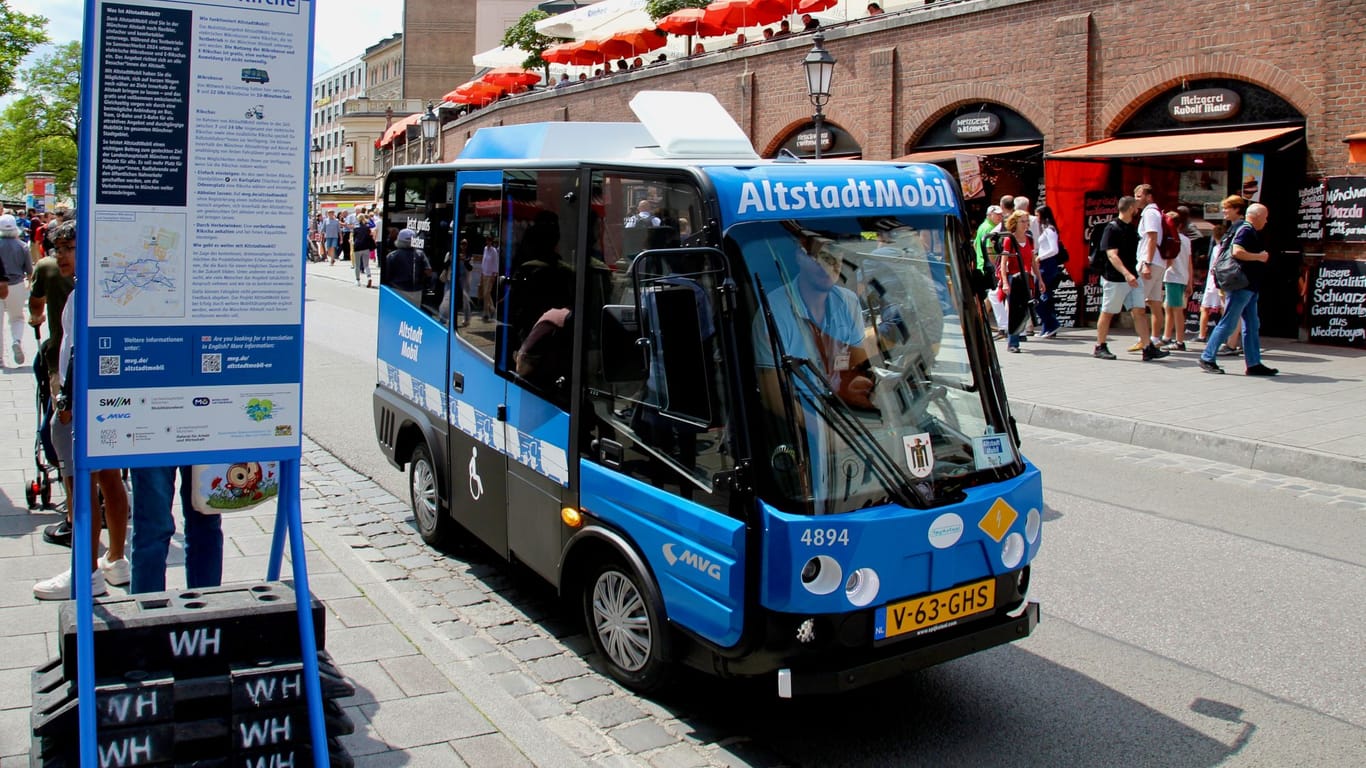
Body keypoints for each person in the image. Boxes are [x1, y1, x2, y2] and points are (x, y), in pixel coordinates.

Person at [31, 220, 132, 600]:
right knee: (108, 476)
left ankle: (85, 572)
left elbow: (79, 352)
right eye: (57, 249)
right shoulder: (104, 288)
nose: (60, 256)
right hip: (103, 403)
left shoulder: (87, 294)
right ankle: (116, 559)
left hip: (81, 404)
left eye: (69, 248)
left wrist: (66, 401)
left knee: (78, 483)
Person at [753, 236, 873, 409]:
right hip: (799, 415)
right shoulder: (773, 310)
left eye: (836, 260)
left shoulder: (848, 301)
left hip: (842, 410)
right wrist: (820, 430)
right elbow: (773, 395)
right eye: (821, 259)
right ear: (800, 257)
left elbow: (856, 362)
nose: (829, 267)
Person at [1199, 199, 1277, 376]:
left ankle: (1254, 363)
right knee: (1229, 323)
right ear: (1256, 217)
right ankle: (1207, 357)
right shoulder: (1246, 230)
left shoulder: (1246, 229)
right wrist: (1259, 256)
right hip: (1241, 285)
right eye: (1265, 217)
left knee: (1251, 324)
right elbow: (1237, 251)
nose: (1266, 221)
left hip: (1249, 285)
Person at [1093, 196, 1169, 361]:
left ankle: (1147, 347)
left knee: (1139, 311)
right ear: (1130, 208)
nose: (1137, 210)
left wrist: (1133, 273)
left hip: (1133, 277)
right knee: (1108, 312)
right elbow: (1112, 255)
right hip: (1115, 279)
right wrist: (1126, 274)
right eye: (1135, 207)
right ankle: (1100, 345)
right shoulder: (1112, 228)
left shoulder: (1131, 228)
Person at [996, 211, 1039, 353]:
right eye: (1023, 221)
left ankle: (1019, 334)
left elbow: (1032, 261)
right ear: (1015, 223)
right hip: (1013, 278)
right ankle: (1013, 342)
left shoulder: (1029, 239)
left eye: (1027, 221)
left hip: (1025, 278)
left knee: (1024, 309)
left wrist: (1040, 279)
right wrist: (1005, 283)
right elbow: (1003, 263)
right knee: (1014, 310)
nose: (1026, 224)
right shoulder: (1010, 239)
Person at [1133, 184, 1167, 351]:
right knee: (1154, 302)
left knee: (1137, 302)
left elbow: (1152, 238)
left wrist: (1146, 262)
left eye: (1139, 196)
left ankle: (1144, 340)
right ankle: (1154, 338)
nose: (1136, 199)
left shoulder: (1150, 213)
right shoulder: (1154, 213)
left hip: (1150, 263)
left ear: (1149, 197)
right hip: (1157, 262)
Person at [0, 213, 32, 366]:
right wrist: (29, 285)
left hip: (0, 284)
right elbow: (29, 270)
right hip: (17, 284)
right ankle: (17, 340)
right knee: (17, 318)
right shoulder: (22, 246)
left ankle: (0, 358)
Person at [1160, 208, 1193, 350]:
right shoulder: (1186, 240)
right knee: (1168, 306)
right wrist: (1190, 281)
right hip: (1181, 276)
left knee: (1176, 309)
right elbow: (1190, 262)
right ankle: (1167, 336)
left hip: (1173, 276)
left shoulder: (1170, 239)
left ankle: (1179, 341)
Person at [1032, 205, 1064, 338]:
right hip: (1044, 263)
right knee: (1042, 295)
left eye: (1038, 215)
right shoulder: (1045, 230)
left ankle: (1051, 323)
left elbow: (1054, 249)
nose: (1036, 219)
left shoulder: (1050, 230)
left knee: (1039, 295)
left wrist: (1040, 256)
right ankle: (1047, 326)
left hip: (1047, 265)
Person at [975, 205, 1007, 336]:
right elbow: (989, 250)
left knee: (990, 296)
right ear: (989, 215)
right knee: (994, 293)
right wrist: (995, 268)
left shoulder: (982, 226)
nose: (1000, 217)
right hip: (988, 265)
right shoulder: (990, 228)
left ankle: (980, 321)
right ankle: (999, 325)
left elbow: (976, 244)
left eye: (1001, 215)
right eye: (997, 215)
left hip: (981, 263)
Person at [386, 228, 432, 306]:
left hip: (397, 290)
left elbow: (387, 275)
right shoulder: (420, 254)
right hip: (416, 291)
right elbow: (428, 272)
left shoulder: (392, 255)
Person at [352, 213, 375, 287]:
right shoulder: (367, 228)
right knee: (366, 265)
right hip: (366, 247)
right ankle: (369, 277)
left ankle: (357, 280)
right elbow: (370, 236)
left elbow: (354, 238)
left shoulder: (356, 228)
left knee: (357, 265)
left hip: (358, 247)